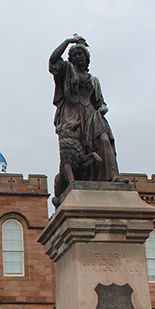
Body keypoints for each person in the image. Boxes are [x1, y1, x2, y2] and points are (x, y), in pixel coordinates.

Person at [49, 35, 124, 200]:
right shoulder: (67, 69)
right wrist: (67, 42)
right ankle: (74, 181)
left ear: (86, 58)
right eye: (74, 55)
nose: (77, 57)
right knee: (72, 149)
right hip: (71, 113)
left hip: (91, 115)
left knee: (104, 140)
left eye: (80, 54)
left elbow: (99, 102)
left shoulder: (94, 80)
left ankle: (112, 177)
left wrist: (103, 108)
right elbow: (53, 60)